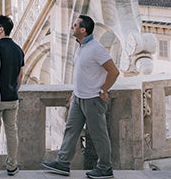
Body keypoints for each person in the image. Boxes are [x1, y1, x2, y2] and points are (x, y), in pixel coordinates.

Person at [42, 15, 120, 179]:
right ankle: (63, 163)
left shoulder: (95, 48)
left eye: (75, 25)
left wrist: (104, 90)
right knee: (71, 131)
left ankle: (105, 168)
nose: (72, 27)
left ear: (83, 30)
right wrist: (74, 93)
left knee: (99, 135)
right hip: (78, 98)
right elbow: (82, 73)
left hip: (93, 99)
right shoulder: (81, 46)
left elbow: (114, 71)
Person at [0, 15, 24, 176]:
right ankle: (11, 166)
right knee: (12, 132)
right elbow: (20, 75)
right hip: (12, 97)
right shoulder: (18, 49)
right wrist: (14, 90)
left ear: (1, 29)